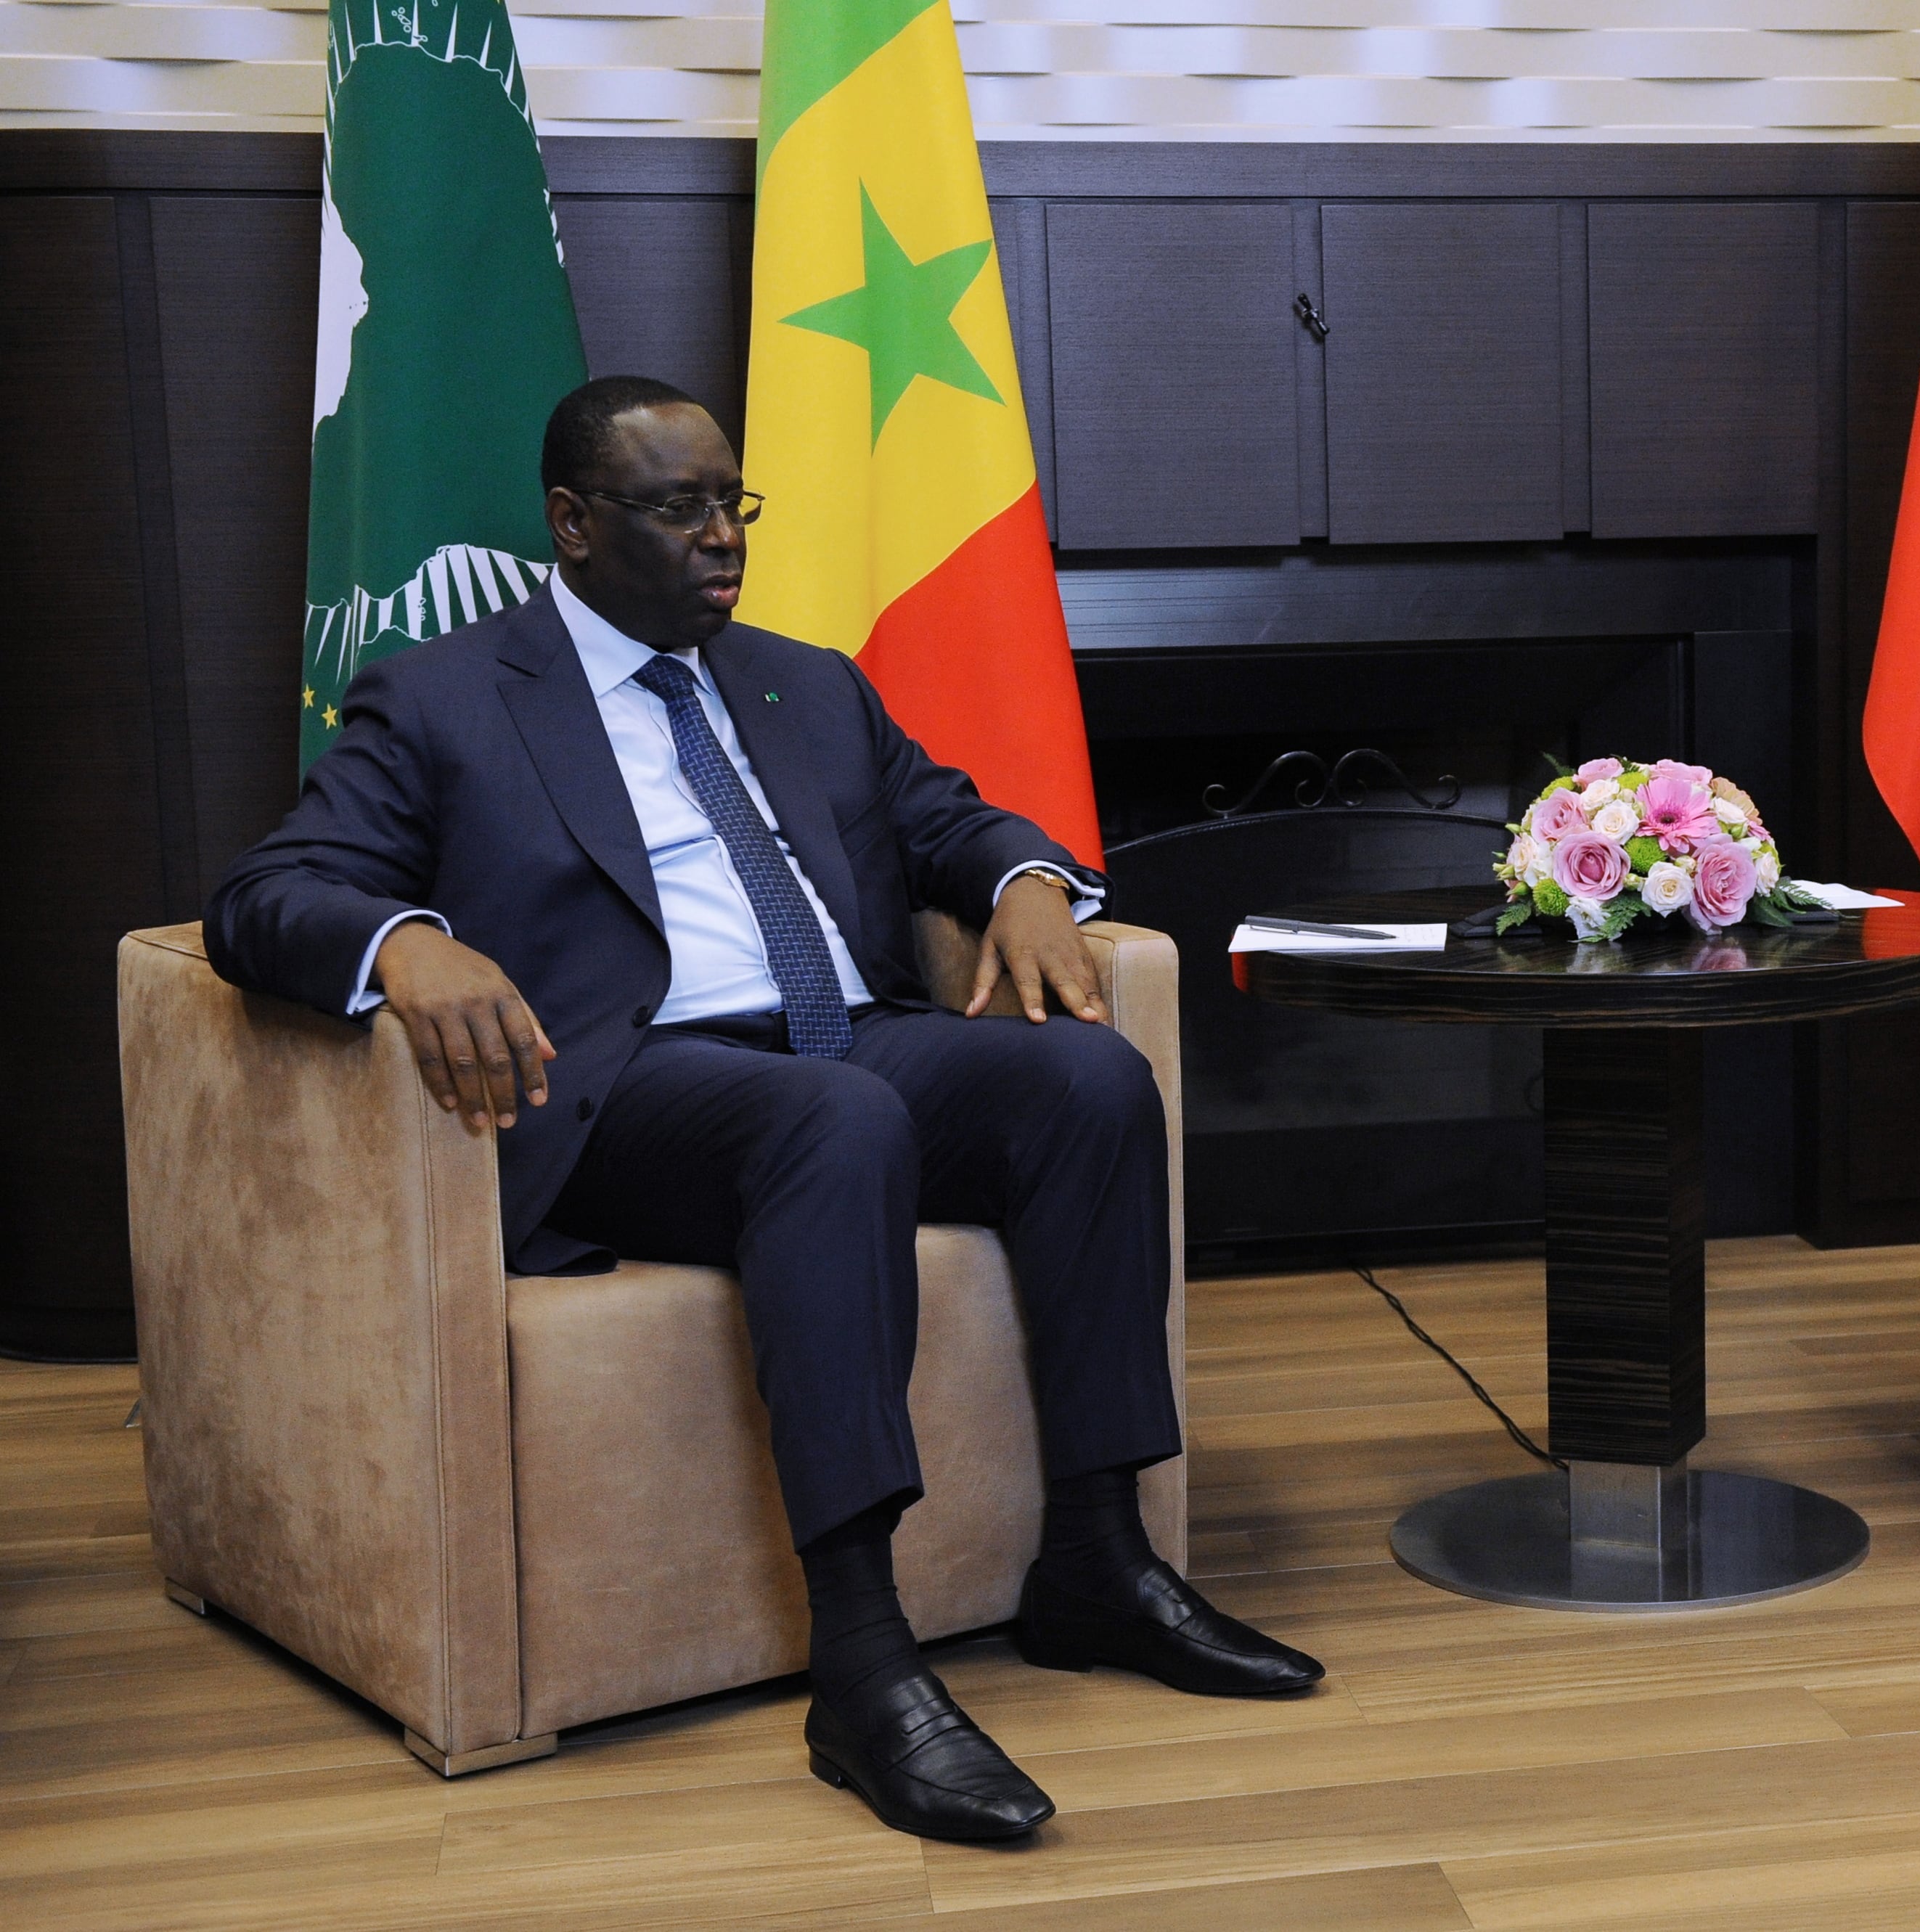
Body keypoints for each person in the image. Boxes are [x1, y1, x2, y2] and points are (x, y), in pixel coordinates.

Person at [207, 376, 1322, 1843]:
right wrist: (407, 943)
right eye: (682, 508)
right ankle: (864, 1666)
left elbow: (949, 818)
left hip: (840, 1035)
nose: (723, 537)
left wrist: (1026, 882)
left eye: (735, 503)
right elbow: (263, 896)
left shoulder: (808, 681)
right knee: (831, 1122)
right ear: (575, 523)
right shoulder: (452, 695)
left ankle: (1100, 1564)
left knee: (1088, 1076)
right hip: (627, 1082)